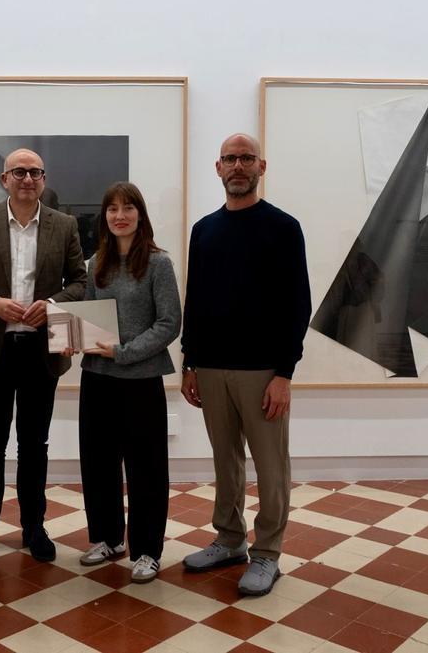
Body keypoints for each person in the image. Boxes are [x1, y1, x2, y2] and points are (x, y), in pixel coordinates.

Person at [180, 134, 311, 596]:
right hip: (211, 367)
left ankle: (268, 554)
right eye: (231, 159)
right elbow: (194, 300)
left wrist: (284, 373)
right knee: (226, 459)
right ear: (218, 168)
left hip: (262, 370)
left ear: (262, 166)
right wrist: (189, 361)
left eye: (246, 158)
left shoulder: (283, 227)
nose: (239, 166)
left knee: (271, 465)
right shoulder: (204, 230)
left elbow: (298, 304)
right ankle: (229, 539)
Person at [0, 148, 87, 565]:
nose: (28, 178)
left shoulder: (64, 225)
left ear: (43, 179)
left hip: (41, 351)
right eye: (19, 172)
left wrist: (52, 302)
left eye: (35, 172)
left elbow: (80, 281)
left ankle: (33, 527)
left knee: (34, 445)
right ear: (4, 178)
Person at [69, 182, 180, 584]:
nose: (120, 215)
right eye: (112, 209)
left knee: (146, 469)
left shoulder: (157, 263)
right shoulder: (95, 263)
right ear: (104, 217)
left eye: (128, 208)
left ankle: (148, 550)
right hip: (97, 380)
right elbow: (90, 320)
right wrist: (72, 341)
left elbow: (169, 323)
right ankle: (107, 539)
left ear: (140, 214)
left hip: (141, 379)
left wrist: (124, 353)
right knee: (97, 464)